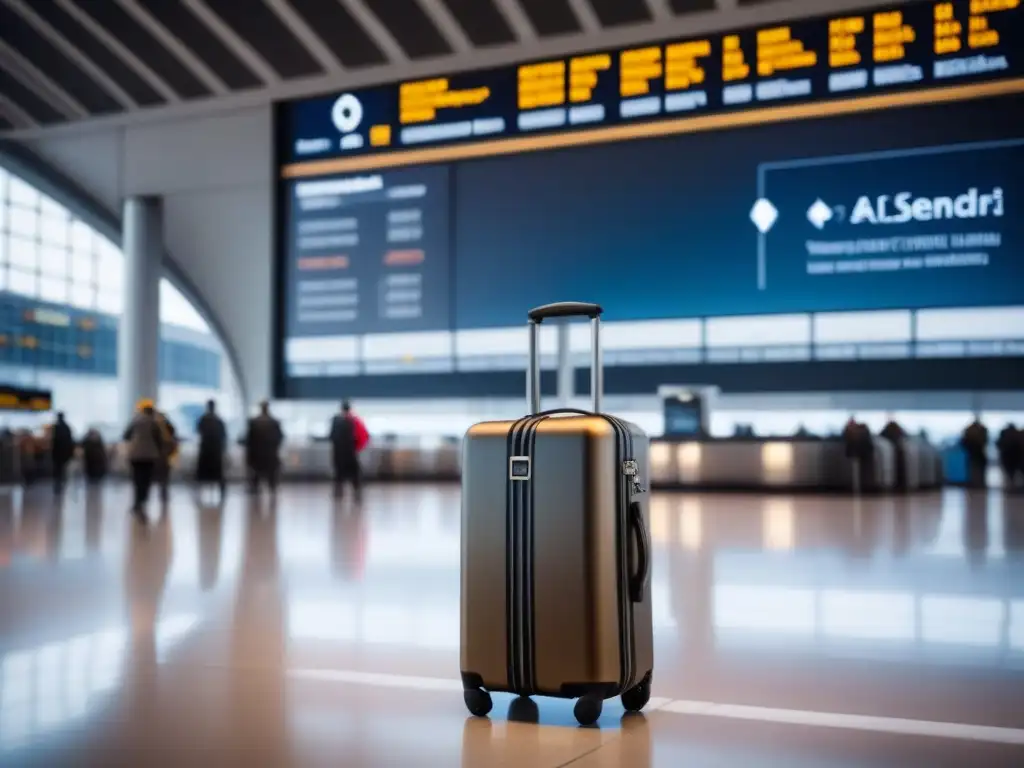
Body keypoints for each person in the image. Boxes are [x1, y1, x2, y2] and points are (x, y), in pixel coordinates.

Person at [123, 400, 165, 520]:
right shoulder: (154, 423)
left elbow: (126, 436)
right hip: (149, 456)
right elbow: (159, 440)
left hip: (135, 455)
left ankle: (136, 503)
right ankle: (142, 503)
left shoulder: (135, 421)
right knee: (146, 481)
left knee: (137, 480)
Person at [328, 400, 370, 502]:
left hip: (338, 453)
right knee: (354, 472)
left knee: (339, 473)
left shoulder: (335, 420)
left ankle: (338, 493)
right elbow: (364, 435)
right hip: (350, 452)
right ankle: (357, 492)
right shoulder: (353, 420)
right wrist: (357, 447)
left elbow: (331, 436)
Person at [244, 401, 283, 497]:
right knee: (272, 474)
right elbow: (280, 438)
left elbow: (249, 440)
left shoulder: (254, 422)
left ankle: (254, 488)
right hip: (271, 456)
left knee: (254, 472)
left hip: (256, 456)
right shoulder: (274, 422)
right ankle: (272, 488)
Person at [196, 400, 228, 501]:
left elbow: (198, 431)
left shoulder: (203, 420)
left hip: (205, 449)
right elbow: (223, 436)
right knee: (218, 474)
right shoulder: (219, 420)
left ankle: (199, 493)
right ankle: (222, 494)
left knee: (202, 474)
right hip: (216, 450)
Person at [154, 411, 179, 503]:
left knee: (163, 475)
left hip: (161, 454)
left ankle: (163, 493)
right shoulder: (168, 427)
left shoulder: (157, 427)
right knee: (164, 475)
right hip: (165, 454)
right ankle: (163, 493)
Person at [960, 417, 989, 489]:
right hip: (978, 453)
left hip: (972, 453)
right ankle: (979, 483)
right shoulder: (982, 430)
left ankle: (974, 483)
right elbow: (985, 441)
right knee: (979, 469)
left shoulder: (969, 430)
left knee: (973, 469)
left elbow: (963, 442)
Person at [50, 412, 75, 495]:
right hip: (64, 453)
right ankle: (61, 483)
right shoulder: (67, 427)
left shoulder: (56, 427)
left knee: (58, 470)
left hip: (58, 453)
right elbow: (70, 441)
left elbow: (54, 441)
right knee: (62, 469)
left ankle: (58, 484)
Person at [997, 424, 1021, 491]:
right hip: (1014, 456)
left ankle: (1010, 485)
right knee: (1012, 472)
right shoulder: (1016, 434)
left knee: (1009, 472)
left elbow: (999, 444)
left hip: (1008, 456)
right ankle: (1012, 485)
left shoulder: (1005, 434)